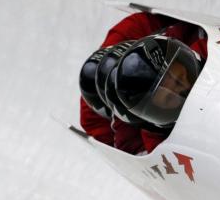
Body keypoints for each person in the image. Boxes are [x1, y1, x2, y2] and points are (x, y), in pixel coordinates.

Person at [79, 12, 208, 154]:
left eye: (180, 77)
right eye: (169, 98)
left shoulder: (136, 33)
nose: (186, 91)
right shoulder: (134, 131)